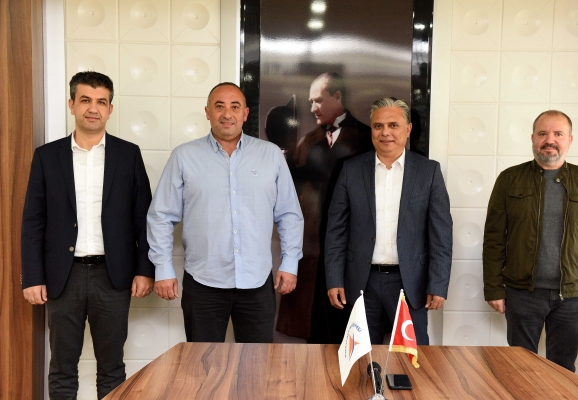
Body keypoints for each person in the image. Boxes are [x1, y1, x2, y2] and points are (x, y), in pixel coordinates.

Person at [21, 71, 155, 399]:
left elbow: (144, 218)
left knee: (112, 368)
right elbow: (33, 221)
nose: (93, 108)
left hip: (113, 277)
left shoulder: (128, 154)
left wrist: (145, 269)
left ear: (110, 109)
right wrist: (32, 277)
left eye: (101, 102)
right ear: (71, 105)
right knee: (62, 368)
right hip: (62, 277)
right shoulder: (47, 157)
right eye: (85, 100)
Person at [147, 82, 303, 343]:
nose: (227, 114)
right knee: (203, 363)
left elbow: (289, 215)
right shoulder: (184, 156)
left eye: (235, 107)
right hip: (203, 284)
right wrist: (163, 268)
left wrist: (290, 262)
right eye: (219, 106)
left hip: (256, 283)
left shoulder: (271, 155)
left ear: (245, 113)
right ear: (207, 112)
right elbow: (161, 216)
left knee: (256, 363)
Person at [483, 110, 578, 372]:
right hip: (522, 293)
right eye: (542, 133)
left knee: (563, 369)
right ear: (533, 138)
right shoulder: (509, 179)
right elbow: (494, 239)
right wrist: (494, 288)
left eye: (558, 134)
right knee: (520, 369)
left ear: (570, 140)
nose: (549, 140)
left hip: (572, 296)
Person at [324, 97, 453, 344]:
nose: (385, 133)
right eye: (378, 126)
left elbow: (441, 235)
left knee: (412, 358)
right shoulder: (351, 170)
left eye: (393, 125)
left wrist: (438, 283)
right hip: (362, 282)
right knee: (362, 358)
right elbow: (336, 232)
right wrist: (334, 278)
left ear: (408, 129)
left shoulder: (429, 172)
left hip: (411, 283)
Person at [276, 72, 373, 343]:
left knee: (353, 330)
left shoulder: (367, 138)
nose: (312, 108)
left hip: (353, 248)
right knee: (315, 330)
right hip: (312, 249)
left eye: (318, 100)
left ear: (337, 96)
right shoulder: (307, 140)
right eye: (310, 102)